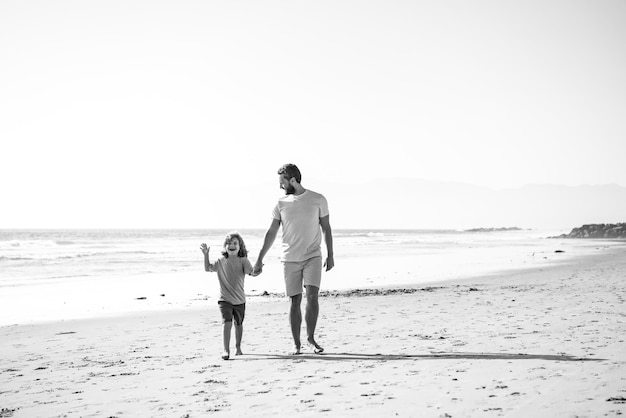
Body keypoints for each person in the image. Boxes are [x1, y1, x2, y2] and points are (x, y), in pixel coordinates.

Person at [253, 163, 334, 355]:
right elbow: (271, 232)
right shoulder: (281, 204)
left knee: (312, 297)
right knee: (294, 300)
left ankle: (311, 340)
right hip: (289, 259)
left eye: (282, 181)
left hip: (313, 256)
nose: (280, 186)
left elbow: (326, 228)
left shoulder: (318, 199)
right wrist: (259, 259)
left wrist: (331, 255)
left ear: (292, 179)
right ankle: (296, 344)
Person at [200, 232, 258, 360]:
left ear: (240, 246)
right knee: (226, 323)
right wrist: (206, 255)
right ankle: (226, 350)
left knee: (239, 324)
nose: (231, 245)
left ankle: (238, 347)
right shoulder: (221, 261)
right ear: (225, 246)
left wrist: (258, 269)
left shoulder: (243, 261)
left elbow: (252, 273)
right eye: (229, 243)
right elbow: (208, 268)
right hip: (224, 299)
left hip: (239, 300)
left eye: (235, 243)